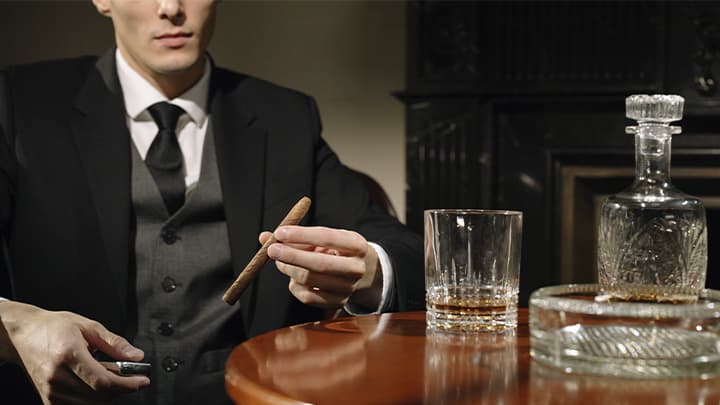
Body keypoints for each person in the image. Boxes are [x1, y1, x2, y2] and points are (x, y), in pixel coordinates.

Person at [0, 0, 423, 403]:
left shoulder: (285, 116)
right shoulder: (21, 102)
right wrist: (16, 324)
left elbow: (398, 249)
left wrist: (369, 273)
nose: (170, 8)